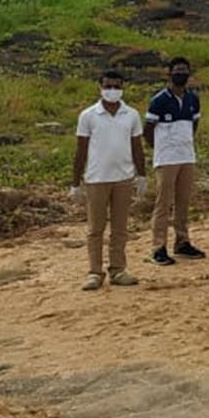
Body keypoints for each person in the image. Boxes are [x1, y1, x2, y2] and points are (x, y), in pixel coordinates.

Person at [73, 71, 146, 291]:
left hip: (123, 178)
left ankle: (118, 269)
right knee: (95, 228)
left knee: (120, 228)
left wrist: (142, 175)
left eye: (116, 86)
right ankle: (95, 272)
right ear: (100, 87)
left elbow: (137, 147)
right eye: (108, 86)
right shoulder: (88, 115)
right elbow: (80, 150)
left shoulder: (131, 114)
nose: (112, 90)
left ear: (122, 88)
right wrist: (75, 183)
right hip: (97, 179)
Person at [145, 58, 204, 267]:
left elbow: (194, 125)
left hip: (187, 156)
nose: (181, 73)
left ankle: (182, 241)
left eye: (185, 70)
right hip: (166, 158)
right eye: (177, 70)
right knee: (163, 203)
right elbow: (148, 130)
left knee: (183, 201)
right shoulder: (159, 100)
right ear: (169, 73)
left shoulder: (193, 99)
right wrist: (162, 148)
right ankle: (158, 247)